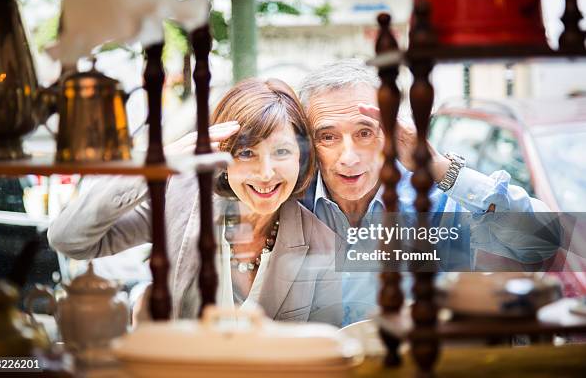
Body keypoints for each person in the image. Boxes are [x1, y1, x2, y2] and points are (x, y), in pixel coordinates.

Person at [48, 78, 342, 325]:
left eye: (281, 152)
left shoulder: (323, 243)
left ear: (301, 158)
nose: (266, 174)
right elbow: (68, 239)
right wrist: (154, 167)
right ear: (222, 157)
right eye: (247, 153)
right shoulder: (180, 199)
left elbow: (323, 353)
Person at [297, 59, 560, 326]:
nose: (349, 158)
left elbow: (543, 240)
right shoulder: (290, 203)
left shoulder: (434, 198)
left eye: (365, 133)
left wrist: (439, 167)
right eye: (328, 137)